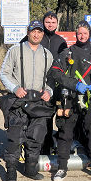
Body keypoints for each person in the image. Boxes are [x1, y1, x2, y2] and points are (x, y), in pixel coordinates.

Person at [48, 20, 91, 181]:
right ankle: (61, 167)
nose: (82, 36)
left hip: (90, 101)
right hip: (70, 99)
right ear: (75, 34)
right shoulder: (67, 53)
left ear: (89, 34)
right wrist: (75, 84)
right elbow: (55, 73)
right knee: (65, 133)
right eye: (79, 33)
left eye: (85, 33)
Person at [0, 20, 54, 181]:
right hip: (18, 101)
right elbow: (4, 73)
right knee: (15, 138)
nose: (36, 34)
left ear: (42, 34)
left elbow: (51, 79)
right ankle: (11, 172)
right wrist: (14, 88)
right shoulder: (15, 50)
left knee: (35, 138)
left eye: (39, 32)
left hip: (38, 103)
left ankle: (30, 169)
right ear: (28, 32)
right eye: (33, 31)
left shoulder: (47, 55)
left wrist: (49, 91)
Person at [21, 11, 68, 155]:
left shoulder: (61, 41)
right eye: (48, 22)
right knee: (32, 118)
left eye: (53, 22)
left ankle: (48, 150)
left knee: (52, 119)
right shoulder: (33, 38)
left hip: (54, 86)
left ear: (57, 24)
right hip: (35, 86)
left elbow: (65, 63)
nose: (50, 25)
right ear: (43, 23)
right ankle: (30, 152)